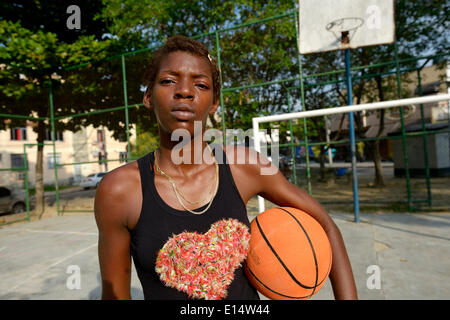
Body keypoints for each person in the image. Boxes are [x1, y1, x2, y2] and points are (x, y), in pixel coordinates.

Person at [94, 35, 358, 300]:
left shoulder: (245, 166)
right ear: (149, 97)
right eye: (168, 80)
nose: (184, 91)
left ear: (214, 102)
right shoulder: (120, 191)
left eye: (200, 84)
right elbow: (114, 294)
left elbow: (325, 225)